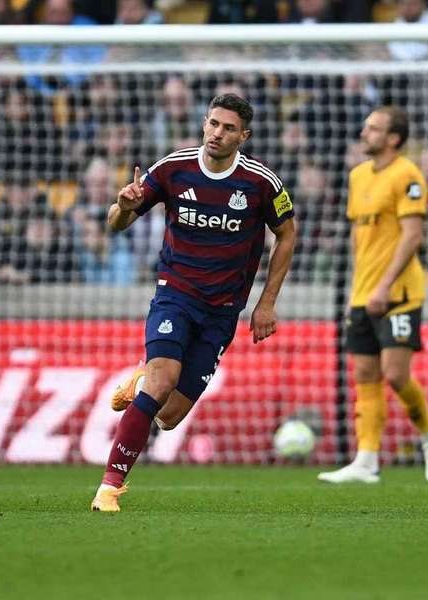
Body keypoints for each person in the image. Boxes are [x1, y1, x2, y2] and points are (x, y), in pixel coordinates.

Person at [91, 93, 296, 511]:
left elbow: (288, 234)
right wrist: (124, 208)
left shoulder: (261, 182)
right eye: (213, 124)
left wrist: (266, 303)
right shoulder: (173, 168)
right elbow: (116, 222)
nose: (217, 134)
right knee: (162, 382)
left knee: (168, 416)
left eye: (228, 128)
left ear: (244, 135)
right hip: (175, 295)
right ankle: (109, 488)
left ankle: (139, 380)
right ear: (204, 123)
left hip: (223, 311)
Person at [318, 106, 428, 484]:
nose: (364, 132)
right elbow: (364, 239)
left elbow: (411, 235)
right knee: (365, 374)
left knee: (395, 375)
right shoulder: (358, 176)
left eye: (373, 128)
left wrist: (383, 285)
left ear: (393, 138)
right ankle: (367, 459)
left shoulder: (408, 174)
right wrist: (360, 289)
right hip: (363, 294)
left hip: (399, 292)